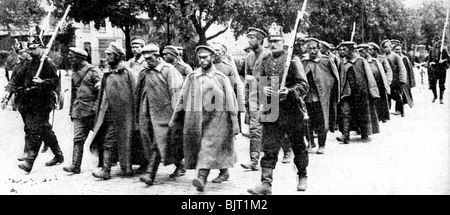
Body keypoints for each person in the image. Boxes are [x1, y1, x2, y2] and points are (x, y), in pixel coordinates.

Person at [247, 23, 309, 194]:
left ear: (283, 42)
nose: (273, 44)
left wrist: (289, 91)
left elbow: (304, 85)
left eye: (276, 41)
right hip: (270, 107)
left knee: (298, 145)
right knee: (269, 148)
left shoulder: (292, 60)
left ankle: (302, 175)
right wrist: (263, 89)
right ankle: (266, 184)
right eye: (270, 41)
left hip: (291, 109)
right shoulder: (265, 60)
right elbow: (260, 82)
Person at [169, 45, 239, 192]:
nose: (202, 60)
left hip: (217, 120)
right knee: (202, 147)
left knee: (208, 147)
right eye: (200, 57)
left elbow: (231, 101)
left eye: (206, 57)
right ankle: (224, 171)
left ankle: (201, 178)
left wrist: (235, 123)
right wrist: (175, 119)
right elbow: (182, 98)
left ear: (212, 58)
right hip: (196, 119)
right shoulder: (192, 76)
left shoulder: (221, 78)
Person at [1, 39, 64, 173]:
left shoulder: (47, 64)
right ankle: (58, 155)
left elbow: (55, 83)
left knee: (34, 130)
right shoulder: (28, 64)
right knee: (44, 130)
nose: (31, 51)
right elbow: (16, 79)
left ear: (41, 48)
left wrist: (42, 82)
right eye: (30, 49)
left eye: (34, 48)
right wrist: (7, 92)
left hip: (44, 102)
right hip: (30, 102)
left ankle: (29, 162)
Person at [136, 44, 185, 186]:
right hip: (147, 112)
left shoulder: (169, 70)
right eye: (145, 59)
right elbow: (138, 93)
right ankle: (180, 165)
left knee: (158, 142)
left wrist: (176, 115)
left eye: (150, 58)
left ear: (158, 57)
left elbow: (176, 93)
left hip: (165, 113)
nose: (147, 61)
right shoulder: (144, 72)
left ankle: (150, 173)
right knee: (159, 141)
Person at [91, 42, 136, 180]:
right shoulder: (107, 73)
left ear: (117, 56)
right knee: (109, 141)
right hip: (108, 113)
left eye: (110, 54)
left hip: (124, 114)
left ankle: (118, 169)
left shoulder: (127, 73)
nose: (107, 57)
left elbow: (134, 94)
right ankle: (113, 169)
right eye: (106, 54)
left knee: (121, 141)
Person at [63, 47, 102, 174]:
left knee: (100, 137)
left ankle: (104, 164)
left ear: (80, 58)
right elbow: (74, 94)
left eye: (72, 57)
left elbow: (101, 93)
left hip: (93, 112)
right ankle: (75, 165)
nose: (70, 59)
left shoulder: (93, 71)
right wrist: (71, 111)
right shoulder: (75, 73)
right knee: (78, 138)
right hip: (79, 110)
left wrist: (96, 108)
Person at [239, 27, 271, 171]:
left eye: (252, 37)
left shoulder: (269, 55)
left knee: (272, 127)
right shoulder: (249, 57)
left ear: (260, 40)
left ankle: (287, 151)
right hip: (253, 96)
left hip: (269, 96)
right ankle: (254, 161)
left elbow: (273, 78)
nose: (249, 40)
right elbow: (248, 79)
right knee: (254, 129)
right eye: (249, 37)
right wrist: (246, 98)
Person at [336, 41, 380, 144]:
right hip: (347, 92)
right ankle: (345, 135)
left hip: (362, 92)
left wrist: (373, 92)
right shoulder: (343, 62)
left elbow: (370, 76)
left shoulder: (361, 61)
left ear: (351, 50)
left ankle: (365, 133)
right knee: (345, 112)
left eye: (345, 49)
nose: (343, 52)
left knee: (363, 113)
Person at [302, 38, 340, 154]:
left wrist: (328, 89)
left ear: (318, 49)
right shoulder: (304, 61)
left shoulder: (326, 61)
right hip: (307, 97)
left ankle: (322, 145)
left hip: (321, 97)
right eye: (309, 48)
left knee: (322, 121)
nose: (312, 51)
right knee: (307, 121)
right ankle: (310, 142)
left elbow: (334, 78)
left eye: (314, 48)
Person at [359, 44, 391, 123]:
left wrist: (387, 82)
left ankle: (382, 116)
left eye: (362, 51)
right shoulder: (359, 60)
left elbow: (385, 71)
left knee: (380, 100)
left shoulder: (377, 60)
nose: (360, 53)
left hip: (378, 83)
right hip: (365, 85)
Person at [380, 40, 408, 117]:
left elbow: (402, 68)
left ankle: (399, 110)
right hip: (387, 79)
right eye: (384, 47)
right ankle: (387, 109)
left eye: (387, 47)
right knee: (387, 94)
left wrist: (402, 79)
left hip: (396, 80)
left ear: (391, 47)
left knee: (397, 95)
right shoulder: (382, 57)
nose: (385, 49)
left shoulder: (396, 56)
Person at [393, 42, 415, 110]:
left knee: (402, 92)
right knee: (397, 93)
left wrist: (410, 81)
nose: (397, 51)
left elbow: (409, 70)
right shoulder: (392, 58)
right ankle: (400, 108)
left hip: (404, 78)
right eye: (396, 49)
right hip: (395, 78)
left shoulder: (405, 59)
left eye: (399, 49)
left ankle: (399, 109)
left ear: (401, 50)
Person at [427, 37, 449, 104]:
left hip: (441, 69)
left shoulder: (443, 50)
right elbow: (429, 60)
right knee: (433, 84)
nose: (436, 43)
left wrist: (443, 60)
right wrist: (430, 63)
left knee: (441, 84)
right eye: (434, 41)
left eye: (437, 41)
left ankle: (441, 98)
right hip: (434, 69)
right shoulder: (431, 50)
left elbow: (448, 58)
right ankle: (435, 96)